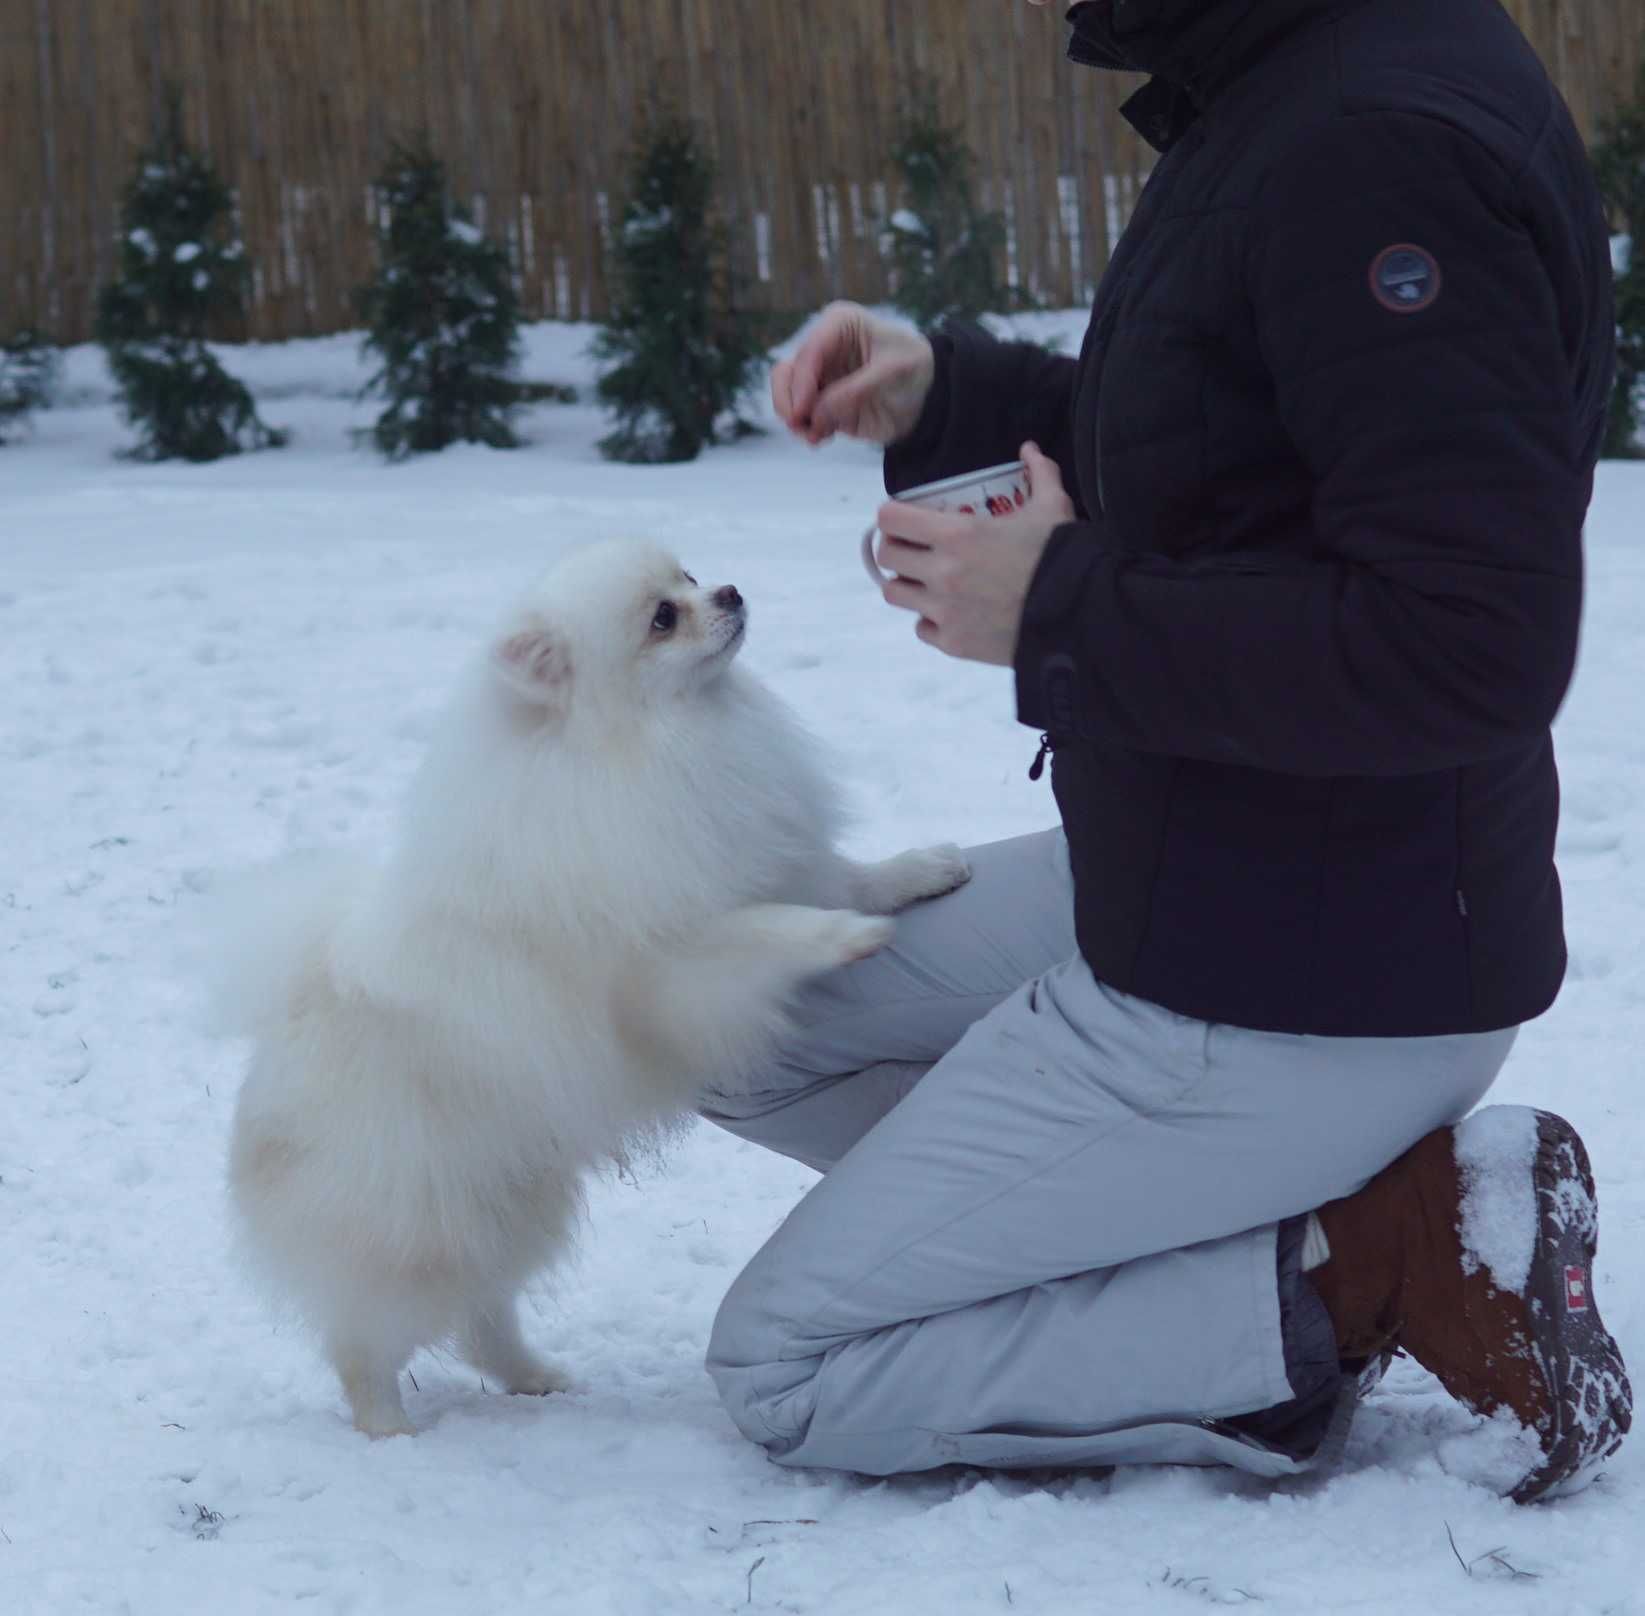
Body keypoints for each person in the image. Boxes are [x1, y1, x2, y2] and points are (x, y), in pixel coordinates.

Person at [698, 0, 1632, 1501]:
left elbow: (1468, 642)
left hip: (1308, 969)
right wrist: (960, 396)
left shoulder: (1374, 142)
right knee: (724, 1012)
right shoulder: (1306, 74)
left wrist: (1060, 603)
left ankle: (1351, 1269)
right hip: (1210, 873)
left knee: (790, 1367)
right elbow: (1236, 438)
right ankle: (1300, 1224)